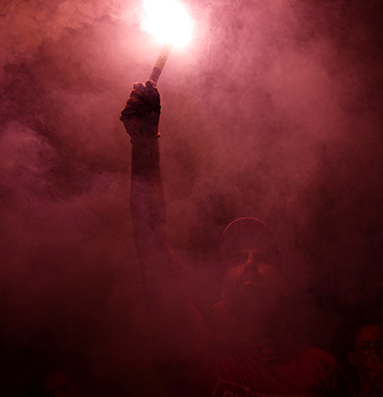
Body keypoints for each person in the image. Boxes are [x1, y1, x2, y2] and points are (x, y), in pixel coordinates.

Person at [121, 80, 348, 397]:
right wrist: (144, 145)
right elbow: (151, 242)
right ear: (223, 283)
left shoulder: (319, 366)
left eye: (263, 257)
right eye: (238, 257)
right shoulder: (198, 347)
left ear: (283, 279)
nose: (251, 264)